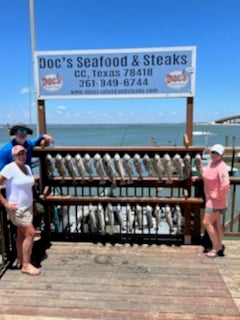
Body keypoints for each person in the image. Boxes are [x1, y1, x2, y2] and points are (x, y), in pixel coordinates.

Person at [0, 145, 41, 275]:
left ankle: (21, 259)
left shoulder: (28, 168)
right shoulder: (9, 168)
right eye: (19, 154)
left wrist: (33, 204)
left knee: (21, 234)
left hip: (27, 206)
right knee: (31, 233)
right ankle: (26, 265)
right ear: (13, 156)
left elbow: (29, 188)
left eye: (23, 154)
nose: (22, 156)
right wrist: (5, 203)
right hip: (16, 208)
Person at [196, 144, 230, 258]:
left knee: (206, 222)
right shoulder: (211, 164)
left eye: (217, 153)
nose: (214, 155)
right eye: (213, 152)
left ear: (222, 155)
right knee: (215, 223)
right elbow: (207, 176)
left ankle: (216, 247)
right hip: (211, 199)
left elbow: (225, 184)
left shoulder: (221, 166)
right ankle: (219, 245)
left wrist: (217, 196)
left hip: (216, 200)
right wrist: (200, 169)